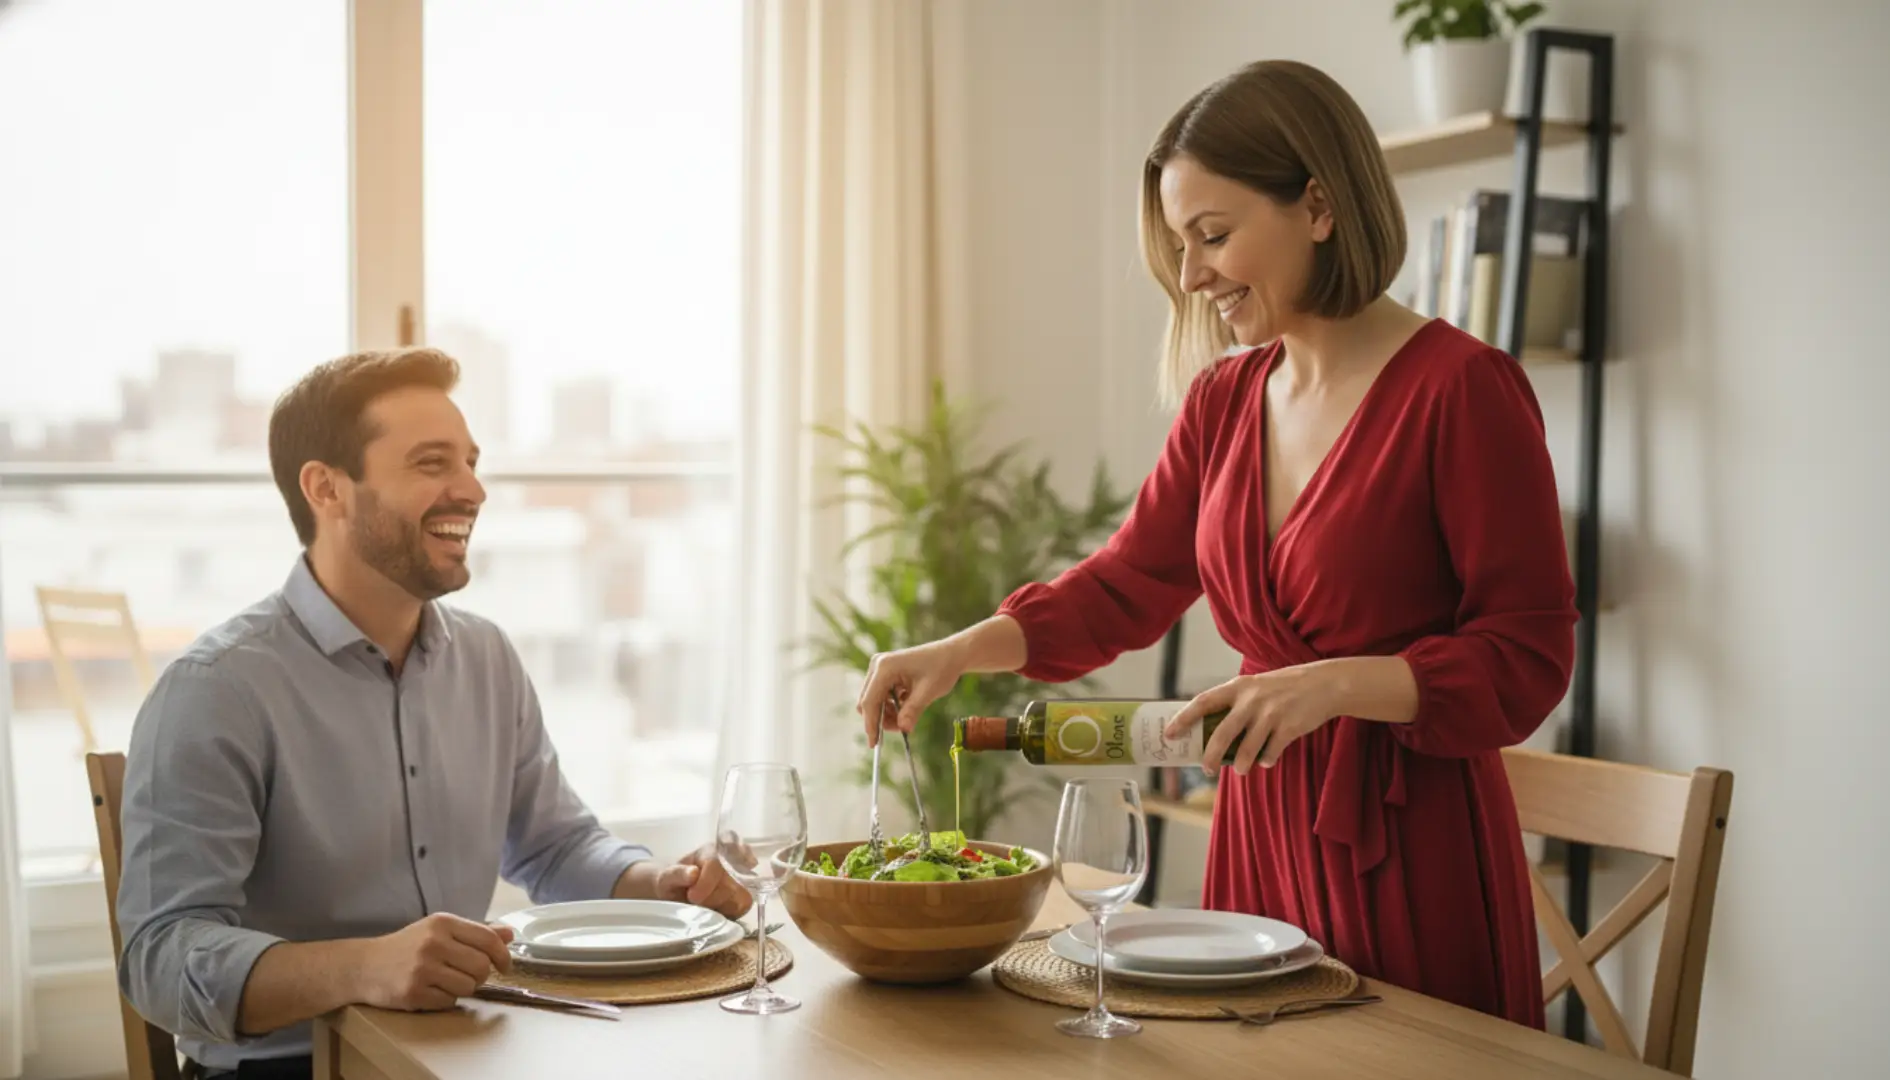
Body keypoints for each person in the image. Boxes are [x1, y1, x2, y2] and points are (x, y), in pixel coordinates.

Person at [855, 59, 1575, 1029]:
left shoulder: (1463, 391)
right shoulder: (1224, 402)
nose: (1191, 276)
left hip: (1413, 841)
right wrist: (960, 651)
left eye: (1212, 236)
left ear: (1318, 205)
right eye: (1182, 244)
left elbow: (1527, 658)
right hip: (1260, 834)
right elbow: (1124, 586)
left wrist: (1335, 685)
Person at [116, 349, 753, 1079]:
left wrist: (660, 886)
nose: (473, 489)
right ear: (327, 488)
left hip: (461, 1052)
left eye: (471, 461)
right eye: (431, 463)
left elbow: (553, 847)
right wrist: (364, 969)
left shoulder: (487, 658)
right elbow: (160, 959)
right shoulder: (216, 690)